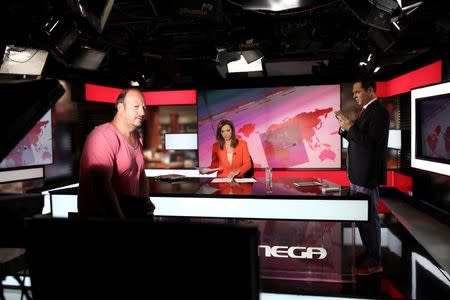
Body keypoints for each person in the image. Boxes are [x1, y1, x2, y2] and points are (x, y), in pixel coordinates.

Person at [335, 77, 389, 276]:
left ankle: (375, 262)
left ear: (371, 90)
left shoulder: (379, 112)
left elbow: (369, 143)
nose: (355, 96)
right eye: (354, 93)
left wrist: (350, 126)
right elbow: (357, 137)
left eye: (358, 92)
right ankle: (369, 253)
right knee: (361, 219)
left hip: (367, 177)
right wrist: (345, 128)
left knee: (369, 220)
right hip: (357, 176)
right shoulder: (367, 111)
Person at [77, 88, 154, 219]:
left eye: (144, 107)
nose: (142, 112)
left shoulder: (136, 136)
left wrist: (146, 201)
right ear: (120, 108)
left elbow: (140, 174)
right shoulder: (102, 136)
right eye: (136, 107)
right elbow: (102, 188)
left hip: (132, 211)